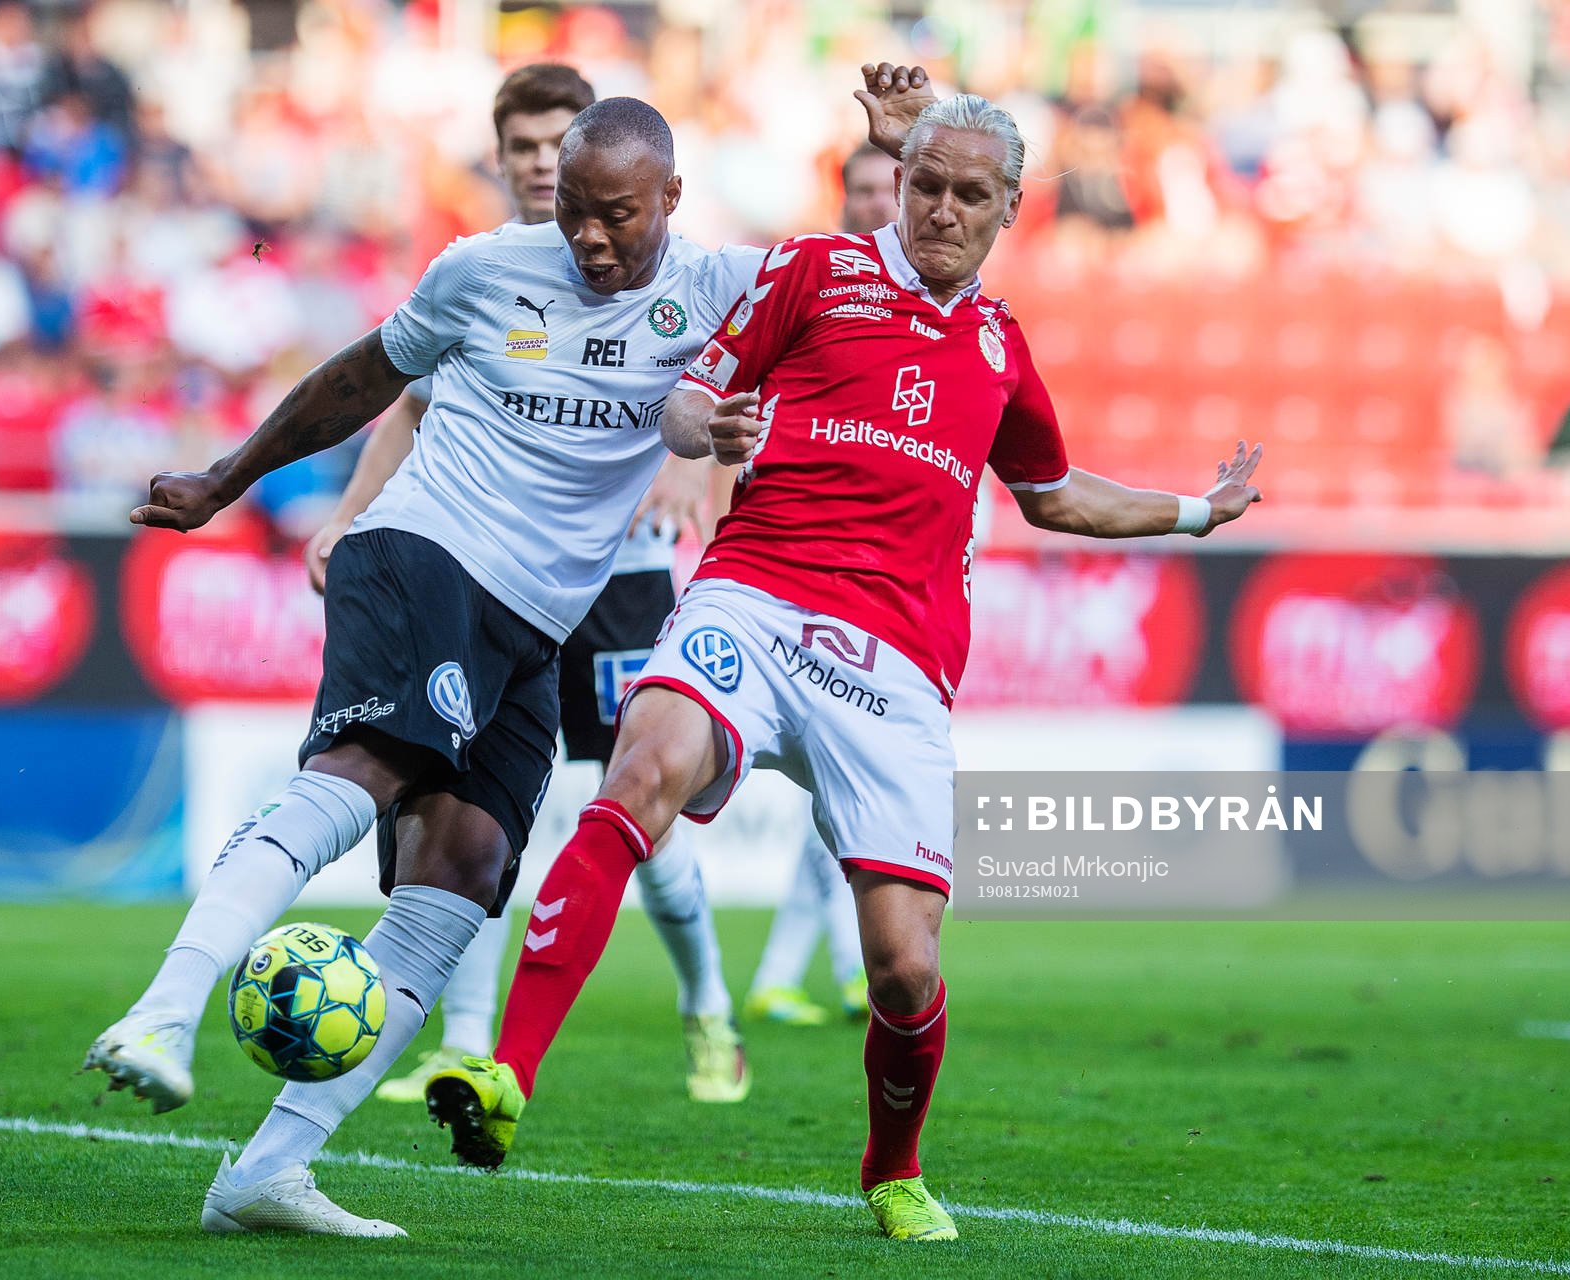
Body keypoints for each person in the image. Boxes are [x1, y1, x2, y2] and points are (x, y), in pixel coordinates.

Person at [82, 67, 937, 1238]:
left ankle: (267, 1170)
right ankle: (164, 1010)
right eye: (572, 206)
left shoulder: (720, 286)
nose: (584, 232)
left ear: (672, 196)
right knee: (369, 773)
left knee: (469, 872)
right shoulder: (483, 270)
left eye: (614, 213)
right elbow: (359, 382)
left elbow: (871, 282)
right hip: (423, 554)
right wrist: (226, 480)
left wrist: (895, 155)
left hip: (534, 624)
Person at [428, 94, 1264, 1244]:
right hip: (756, 596)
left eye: (971, 195)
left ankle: (893, 1166)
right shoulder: (815, 269)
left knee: (904, 966)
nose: (942, 210)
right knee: (638, 770)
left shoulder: (1000, 347)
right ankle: (503, 1071)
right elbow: (683, 397)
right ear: (896, 176)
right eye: (926, 184)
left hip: (896, 663)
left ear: (1008, 211)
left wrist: (1191, 511)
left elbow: (1053, 493)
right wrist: (704, 424)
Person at [302, 64, 746, 1107]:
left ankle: (707, 1010)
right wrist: (350, 514)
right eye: (526, 148)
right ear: (503, 159)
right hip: (488, 560)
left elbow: (730, 378)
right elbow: (409, 408)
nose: (544, 162)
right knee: (471, 796)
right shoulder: (485, 272)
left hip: (617, 576)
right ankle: (459, 1040)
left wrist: (695, 464)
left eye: (560, 143)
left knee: (641, 808)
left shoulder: (668, 268)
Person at [742, 143, 901, 1028]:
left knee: (840, 800)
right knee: (846, 793)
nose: (879, 206)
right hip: (817, 584)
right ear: (843, 201)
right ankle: (848, 967)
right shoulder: (815, 295)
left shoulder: (953, 315)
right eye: (865, 192)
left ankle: (783, 972)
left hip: (907, 596)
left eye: (892, 190)